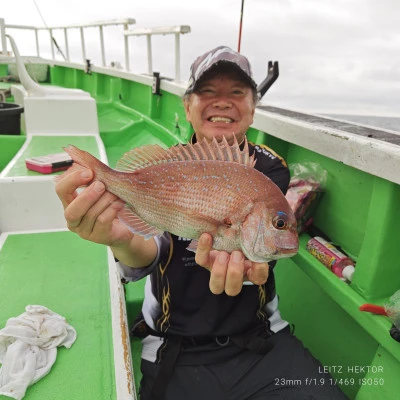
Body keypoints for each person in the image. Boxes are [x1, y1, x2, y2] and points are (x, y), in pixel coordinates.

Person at [55, 46, 348, 399]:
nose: (222, 102)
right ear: (187, 106)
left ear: (253, 109)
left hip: (261, 342)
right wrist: (119, 239)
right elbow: (153, 249)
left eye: (237, 93)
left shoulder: (270, 171)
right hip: (173, 348)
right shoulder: (168, 169)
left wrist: (258, 246)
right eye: (208, 92)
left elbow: (263, 239)